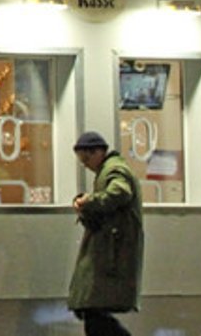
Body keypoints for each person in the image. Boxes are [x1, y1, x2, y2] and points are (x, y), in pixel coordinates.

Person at [68, 131, 144, 336]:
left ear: (98, 152)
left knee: (92, 309)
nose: (84, 164)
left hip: (109, 254)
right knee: (91, 310)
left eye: (86, 158)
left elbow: (120, 193)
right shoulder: (111, 170)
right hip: (108, 250)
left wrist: (89, 202)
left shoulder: (114, 170)